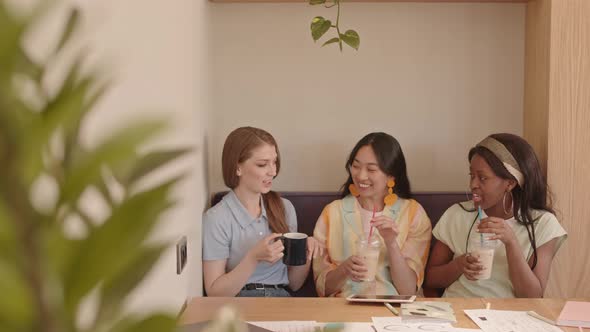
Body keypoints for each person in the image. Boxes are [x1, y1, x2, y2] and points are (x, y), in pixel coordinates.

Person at [425, 133, 567, 298]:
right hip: (457, 310)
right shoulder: (457, 214)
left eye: (483, 178)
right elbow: (430, 279)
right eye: (472, 176)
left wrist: (511, 242)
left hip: (508, 318)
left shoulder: (543, 224)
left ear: (510, 183)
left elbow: (533, 297)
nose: (473, 185)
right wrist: (459, 265)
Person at [202, 127, 322, 297]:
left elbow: (295, 284)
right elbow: (214, 292)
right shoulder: (216, 218)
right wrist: (253, 258)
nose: (272, 172)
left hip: (282, 300)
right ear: (238, 168)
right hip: (239, 302)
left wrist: (306, 254)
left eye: (274, 162)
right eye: (262, 164)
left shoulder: (284, 207)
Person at [312, 132, 432, 297]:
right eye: (355, 166)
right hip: (344, 309)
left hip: (394, 311)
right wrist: (344, 269)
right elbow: (323, 289)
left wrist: (391, 243)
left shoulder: (413, 214)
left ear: (391, 174)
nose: (361, 176)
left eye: (371, 169)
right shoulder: (332, 213)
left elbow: (408, 290)